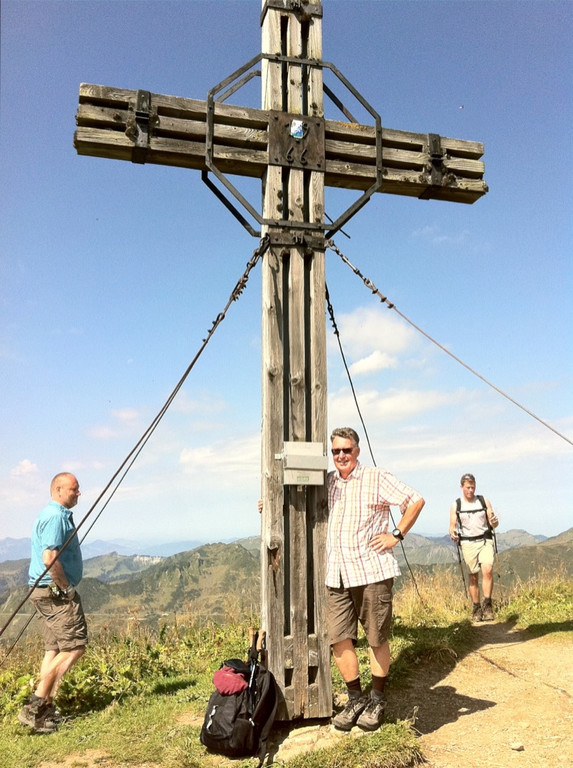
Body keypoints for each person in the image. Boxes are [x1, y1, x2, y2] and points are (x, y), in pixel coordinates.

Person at [327, 427, 425, 732]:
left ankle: (377, 700)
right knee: (339, 638)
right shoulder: (329, 482)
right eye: (336, 451)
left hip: (371, 572)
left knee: (376, 638)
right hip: (337, 573)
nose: (341, 455)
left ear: (357, 451)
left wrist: (396, 534)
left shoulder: (375, 477)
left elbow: (416, 500)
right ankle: (356, 699)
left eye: (347, 450)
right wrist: (266, 505)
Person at [18, 472, 88, 733]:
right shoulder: (56, 516)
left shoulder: (49, 514)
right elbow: (50, 557)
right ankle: (36, 706)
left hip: (41, 591)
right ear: (58, 490)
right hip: (54, 593)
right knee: (75, 647)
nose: (78, 493)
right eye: (74, 489)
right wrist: (66, 588)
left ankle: (44, 708)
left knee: (54, 649)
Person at [449, 473, 499, 622]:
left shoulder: (483, 501)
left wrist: (494, 521)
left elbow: (494, 523)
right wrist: (453, 533)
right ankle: (476, 608)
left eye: (472, 487)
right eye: (467, 487)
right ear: (461, 487)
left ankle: (487, 606)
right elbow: (452, 526)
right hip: (467, 543)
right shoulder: (456, 505)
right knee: (473, 576)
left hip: (485, 539)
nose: (470, 490)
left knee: (488, 569)